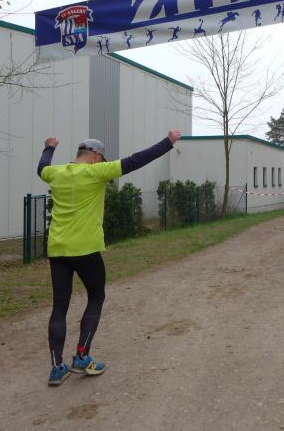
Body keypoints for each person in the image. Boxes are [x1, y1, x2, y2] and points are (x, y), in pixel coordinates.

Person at [37, 130, 182, 386]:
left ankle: (57, 368)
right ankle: (82, 356)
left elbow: (41, 168)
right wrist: (167, 142)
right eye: (102, 159)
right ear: (95, 156)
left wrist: (49, 147)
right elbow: (136, 160)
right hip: (86, 249)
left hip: (58, 249)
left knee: (59, 306)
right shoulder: (96, 172)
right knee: (96, 296)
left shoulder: (55, 173)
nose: (103, 163)